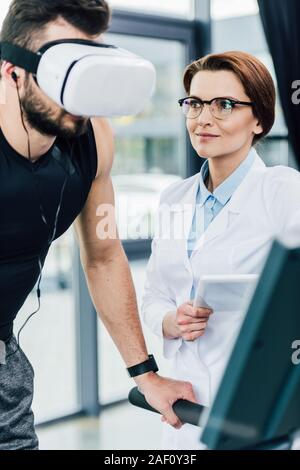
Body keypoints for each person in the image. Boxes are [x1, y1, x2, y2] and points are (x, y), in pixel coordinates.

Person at [0, 0, 197, 451]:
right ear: (13, 70)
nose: (79, 96)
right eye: (64, 75)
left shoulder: (93, 137)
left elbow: (104, 255)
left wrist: (145, 374)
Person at [142, 51, 300, 450]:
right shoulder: (173, 198)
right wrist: (169, 321)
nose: (203, 118)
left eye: (224, 105)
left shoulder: (284, 191)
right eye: (194, 104)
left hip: (257, 404)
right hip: (186, 409)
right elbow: (156, 292)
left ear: (259, 119)